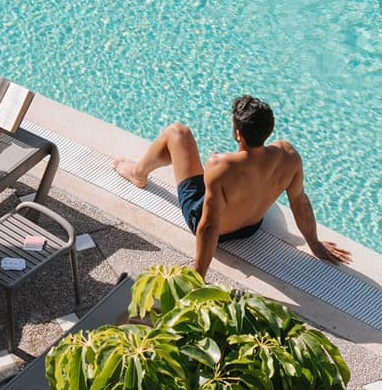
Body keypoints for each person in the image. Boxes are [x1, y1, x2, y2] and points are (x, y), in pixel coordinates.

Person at [114, 95, 351, 279]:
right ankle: (156, 163)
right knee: (247, 183)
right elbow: (300, 202)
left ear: (238, 134)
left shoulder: (221, 165)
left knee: (177, 133)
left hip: (216, 229)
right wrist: (314, 244)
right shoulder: (289, 157)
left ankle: (138, 174)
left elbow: (208, 226)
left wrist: (198, 276)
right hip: (252, 227)